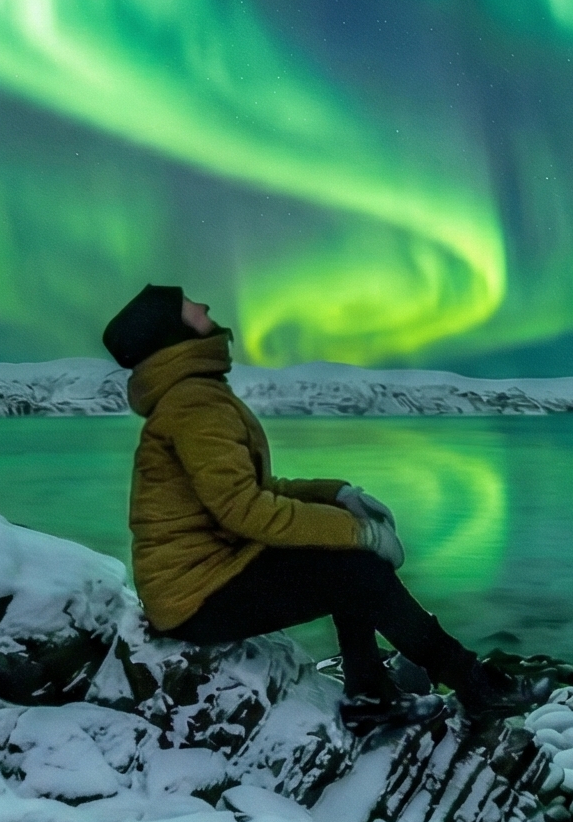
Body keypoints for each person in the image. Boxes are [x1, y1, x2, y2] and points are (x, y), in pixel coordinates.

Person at [105, 281, 517, 723]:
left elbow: (250, 490)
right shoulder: (194, 404)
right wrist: (361, 534)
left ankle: (371, 690)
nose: (204, 304)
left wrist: (336, 495)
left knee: (347, 560)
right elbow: (245, 511)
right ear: (174, 332)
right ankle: (469, 683)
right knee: (356, 569)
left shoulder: (195, 397)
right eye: (189, 306)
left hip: (203, 575)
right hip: (195, 597)